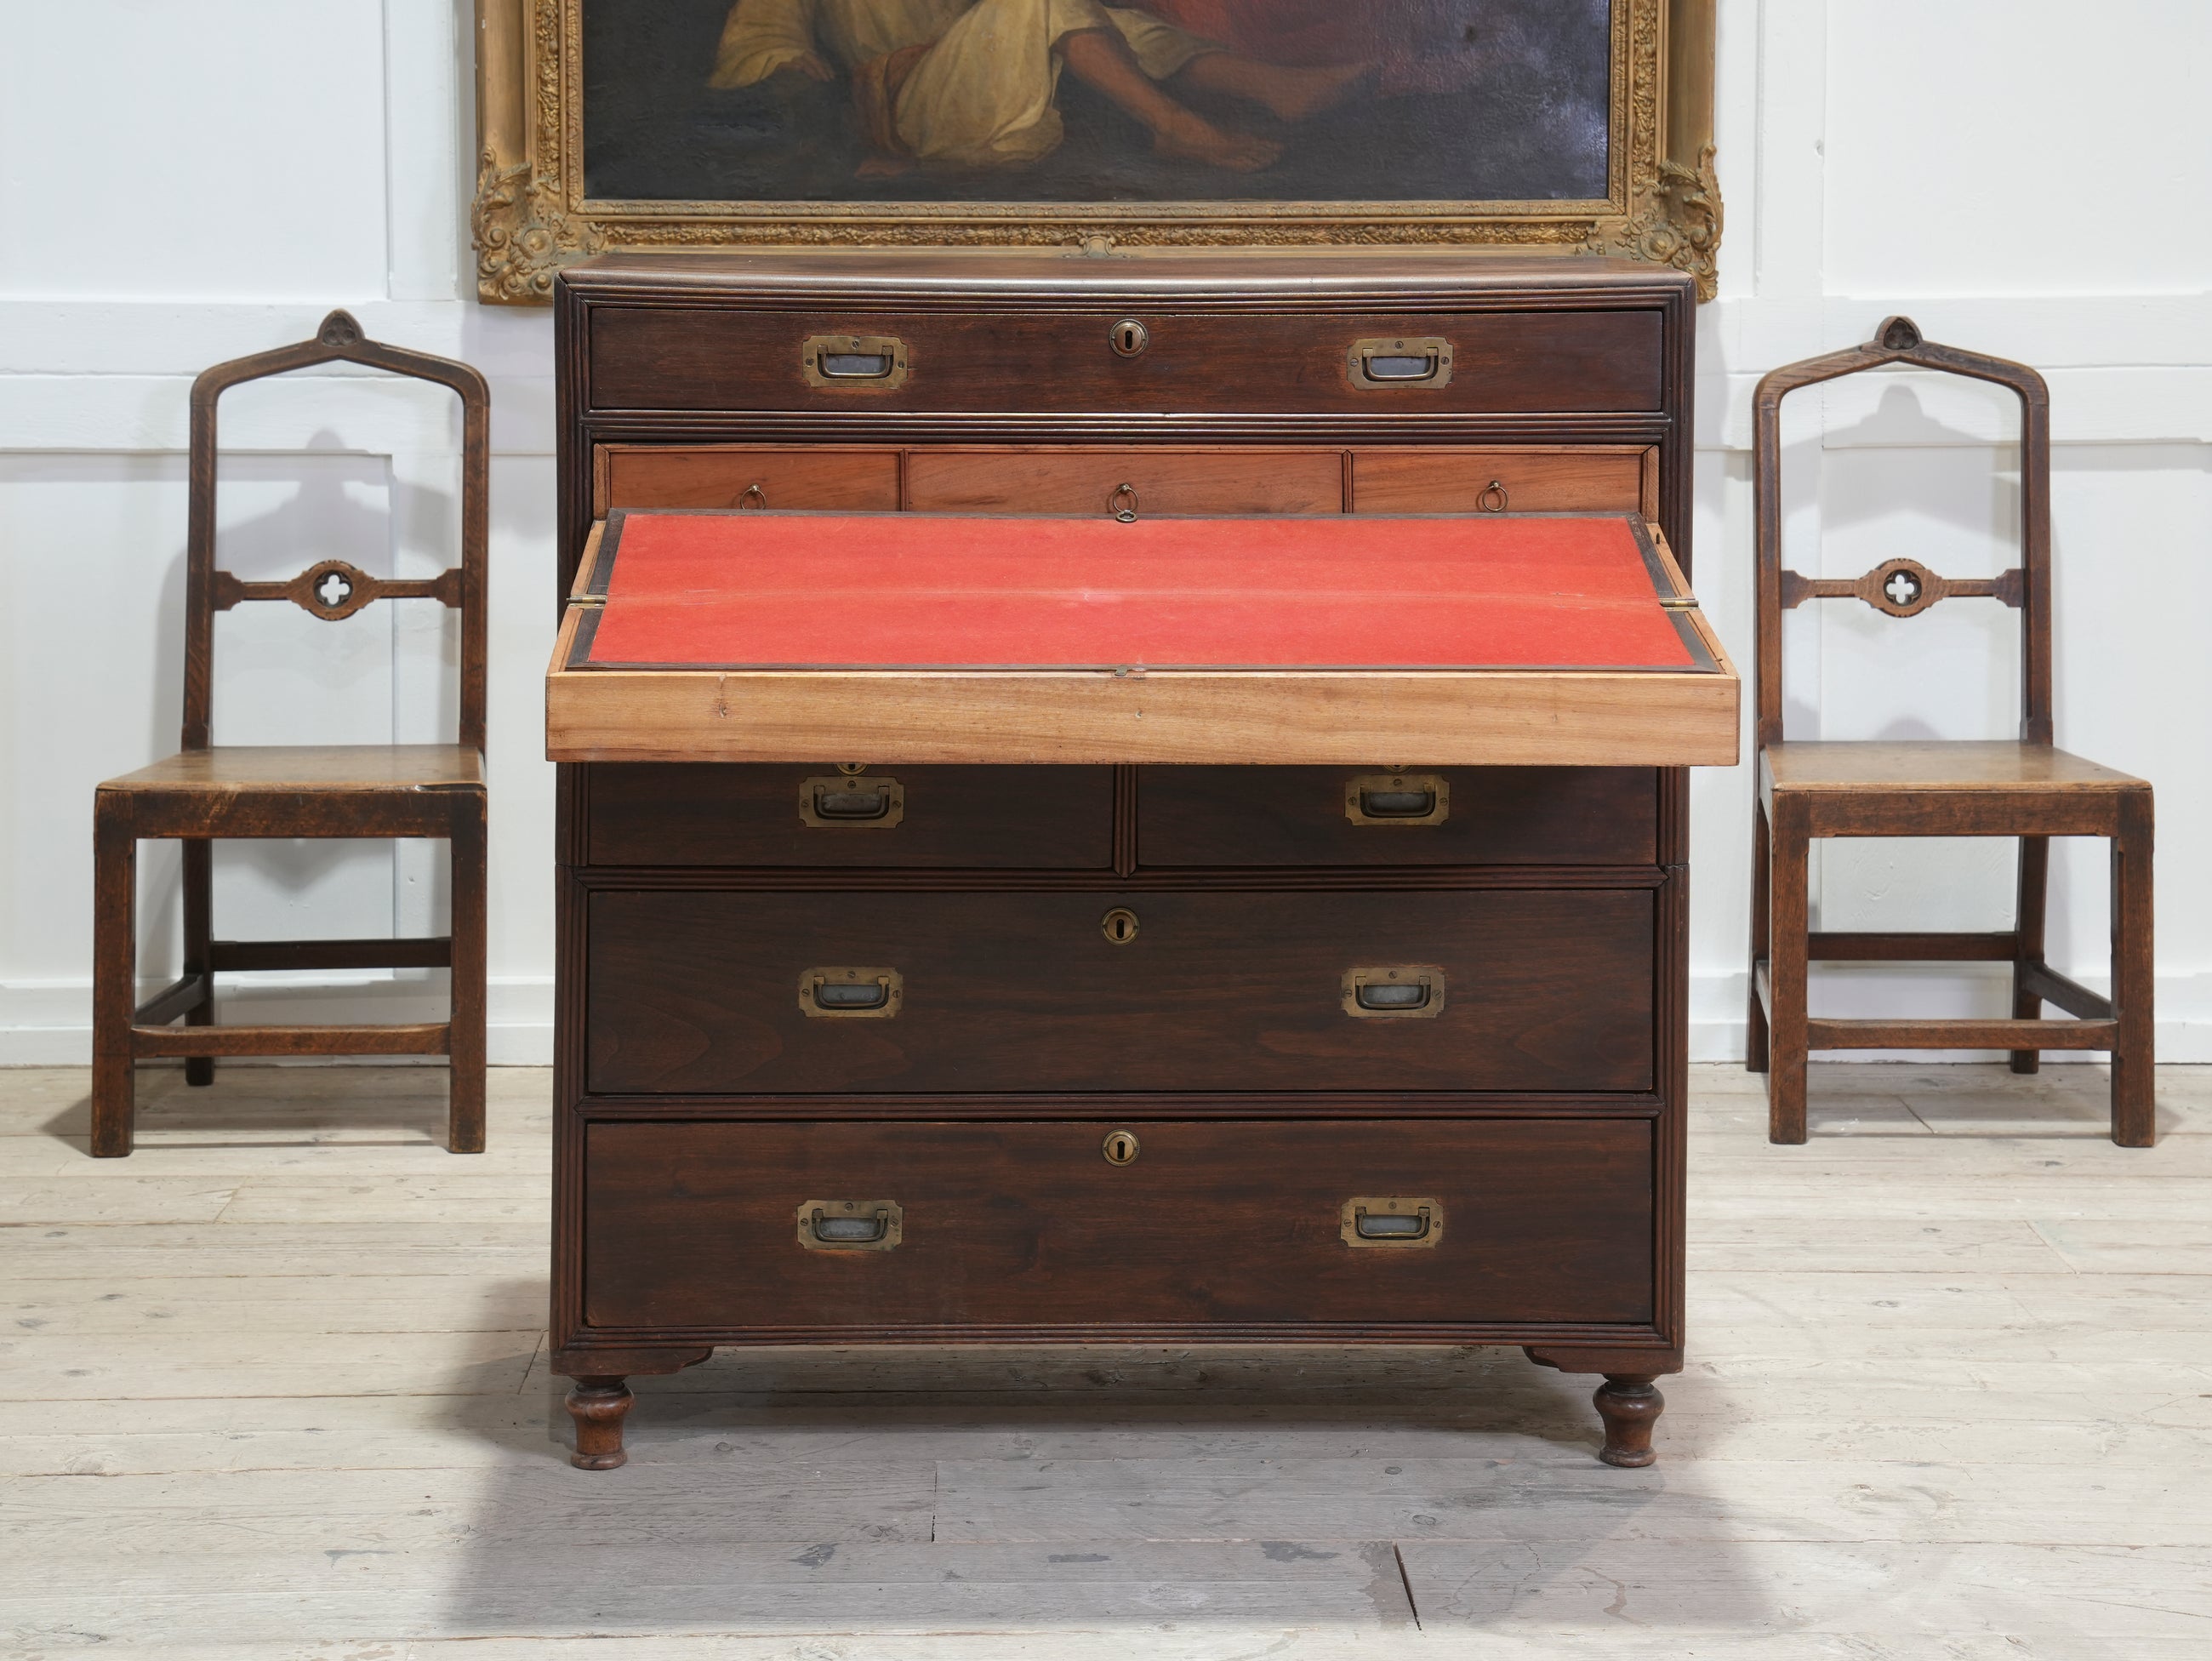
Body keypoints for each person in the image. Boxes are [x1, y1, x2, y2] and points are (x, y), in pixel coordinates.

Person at [709, 0, 1374, 175]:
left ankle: (1274, 86)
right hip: (909, 100)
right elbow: (759, 34)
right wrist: (786, 59)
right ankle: (1176, 126)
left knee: (1103, 19)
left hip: (971, 66)